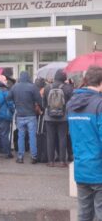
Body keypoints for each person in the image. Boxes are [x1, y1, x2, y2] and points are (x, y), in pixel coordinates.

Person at [67, 66, 102, 221]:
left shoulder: (72, 104)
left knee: (84, 213)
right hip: (98, 168)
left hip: (81, 166)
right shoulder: (99, 104)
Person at [8, 71, 42, 164]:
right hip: (31, 115)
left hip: (20, 116)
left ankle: (20, 157)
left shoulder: (15, 87)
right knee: (32, 136)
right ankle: (34, 157)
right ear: (28, 77)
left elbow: (8, 98)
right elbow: (39, 100)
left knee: (21, 136)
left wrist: (15, 104)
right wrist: (41, 109)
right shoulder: (33, 87)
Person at [43, 69, 73, 168]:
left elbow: (44, 103)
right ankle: (62, 161)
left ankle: (51, 161)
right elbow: (72, 101)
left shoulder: (47, 87)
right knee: (62, 138)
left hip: (49, 117)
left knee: (50, 138)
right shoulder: (68, 88)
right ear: (64, 77)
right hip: (63, 117)